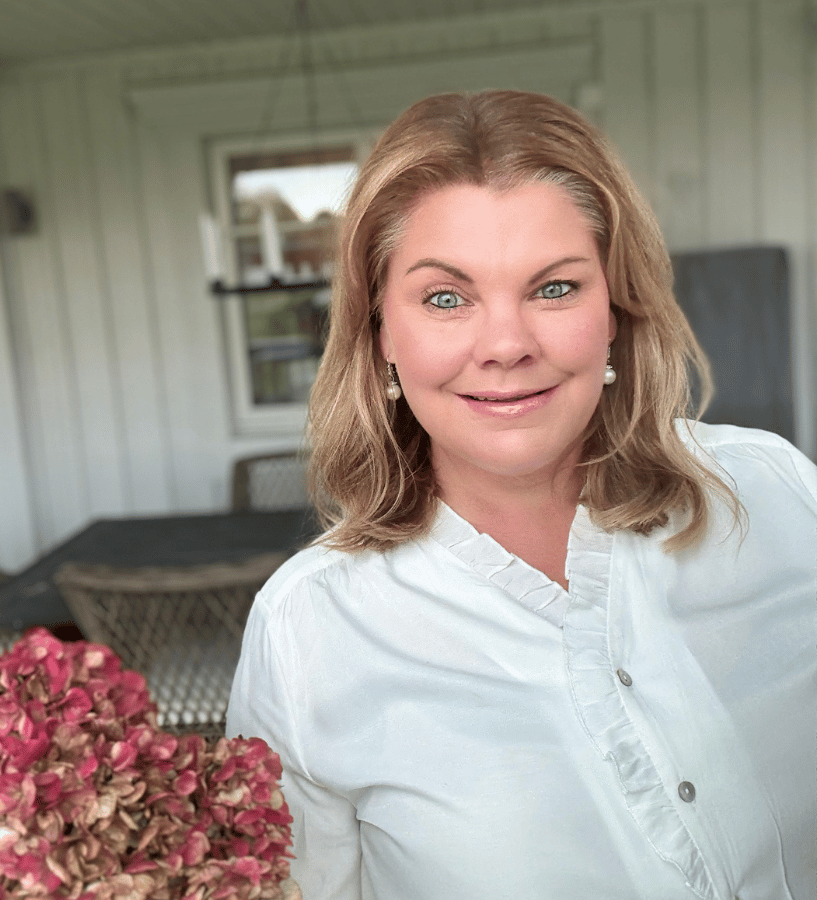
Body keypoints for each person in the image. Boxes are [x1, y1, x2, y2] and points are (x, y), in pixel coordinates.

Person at [226, 91, 817, 900]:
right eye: (445, 298)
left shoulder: (774, 494)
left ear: (616, 308)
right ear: (381, 330)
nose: (505, 345)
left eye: (554, 288)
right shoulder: (309, 631)